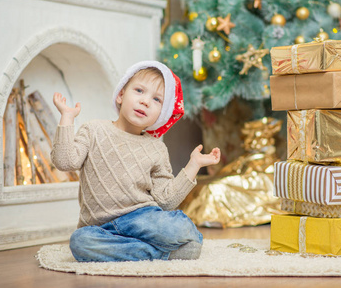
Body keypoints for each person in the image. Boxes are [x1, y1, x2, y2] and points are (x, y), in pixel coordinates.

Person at [51, 61, 221, 262]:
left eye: (156, 99)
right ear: (121, 95)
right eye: (139, 91)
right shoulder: (93, 130)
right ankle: (160, 253)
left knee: (181, 228)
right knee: (80, 242)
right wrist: (67, 118)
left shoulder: (157, 148)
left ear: (161, 115)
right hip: (99, 228)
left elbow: (166, 201)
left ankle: (134, 250)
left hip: (142, 220)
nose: (145, 101)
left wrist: (194, 165)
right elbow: (64, 162)